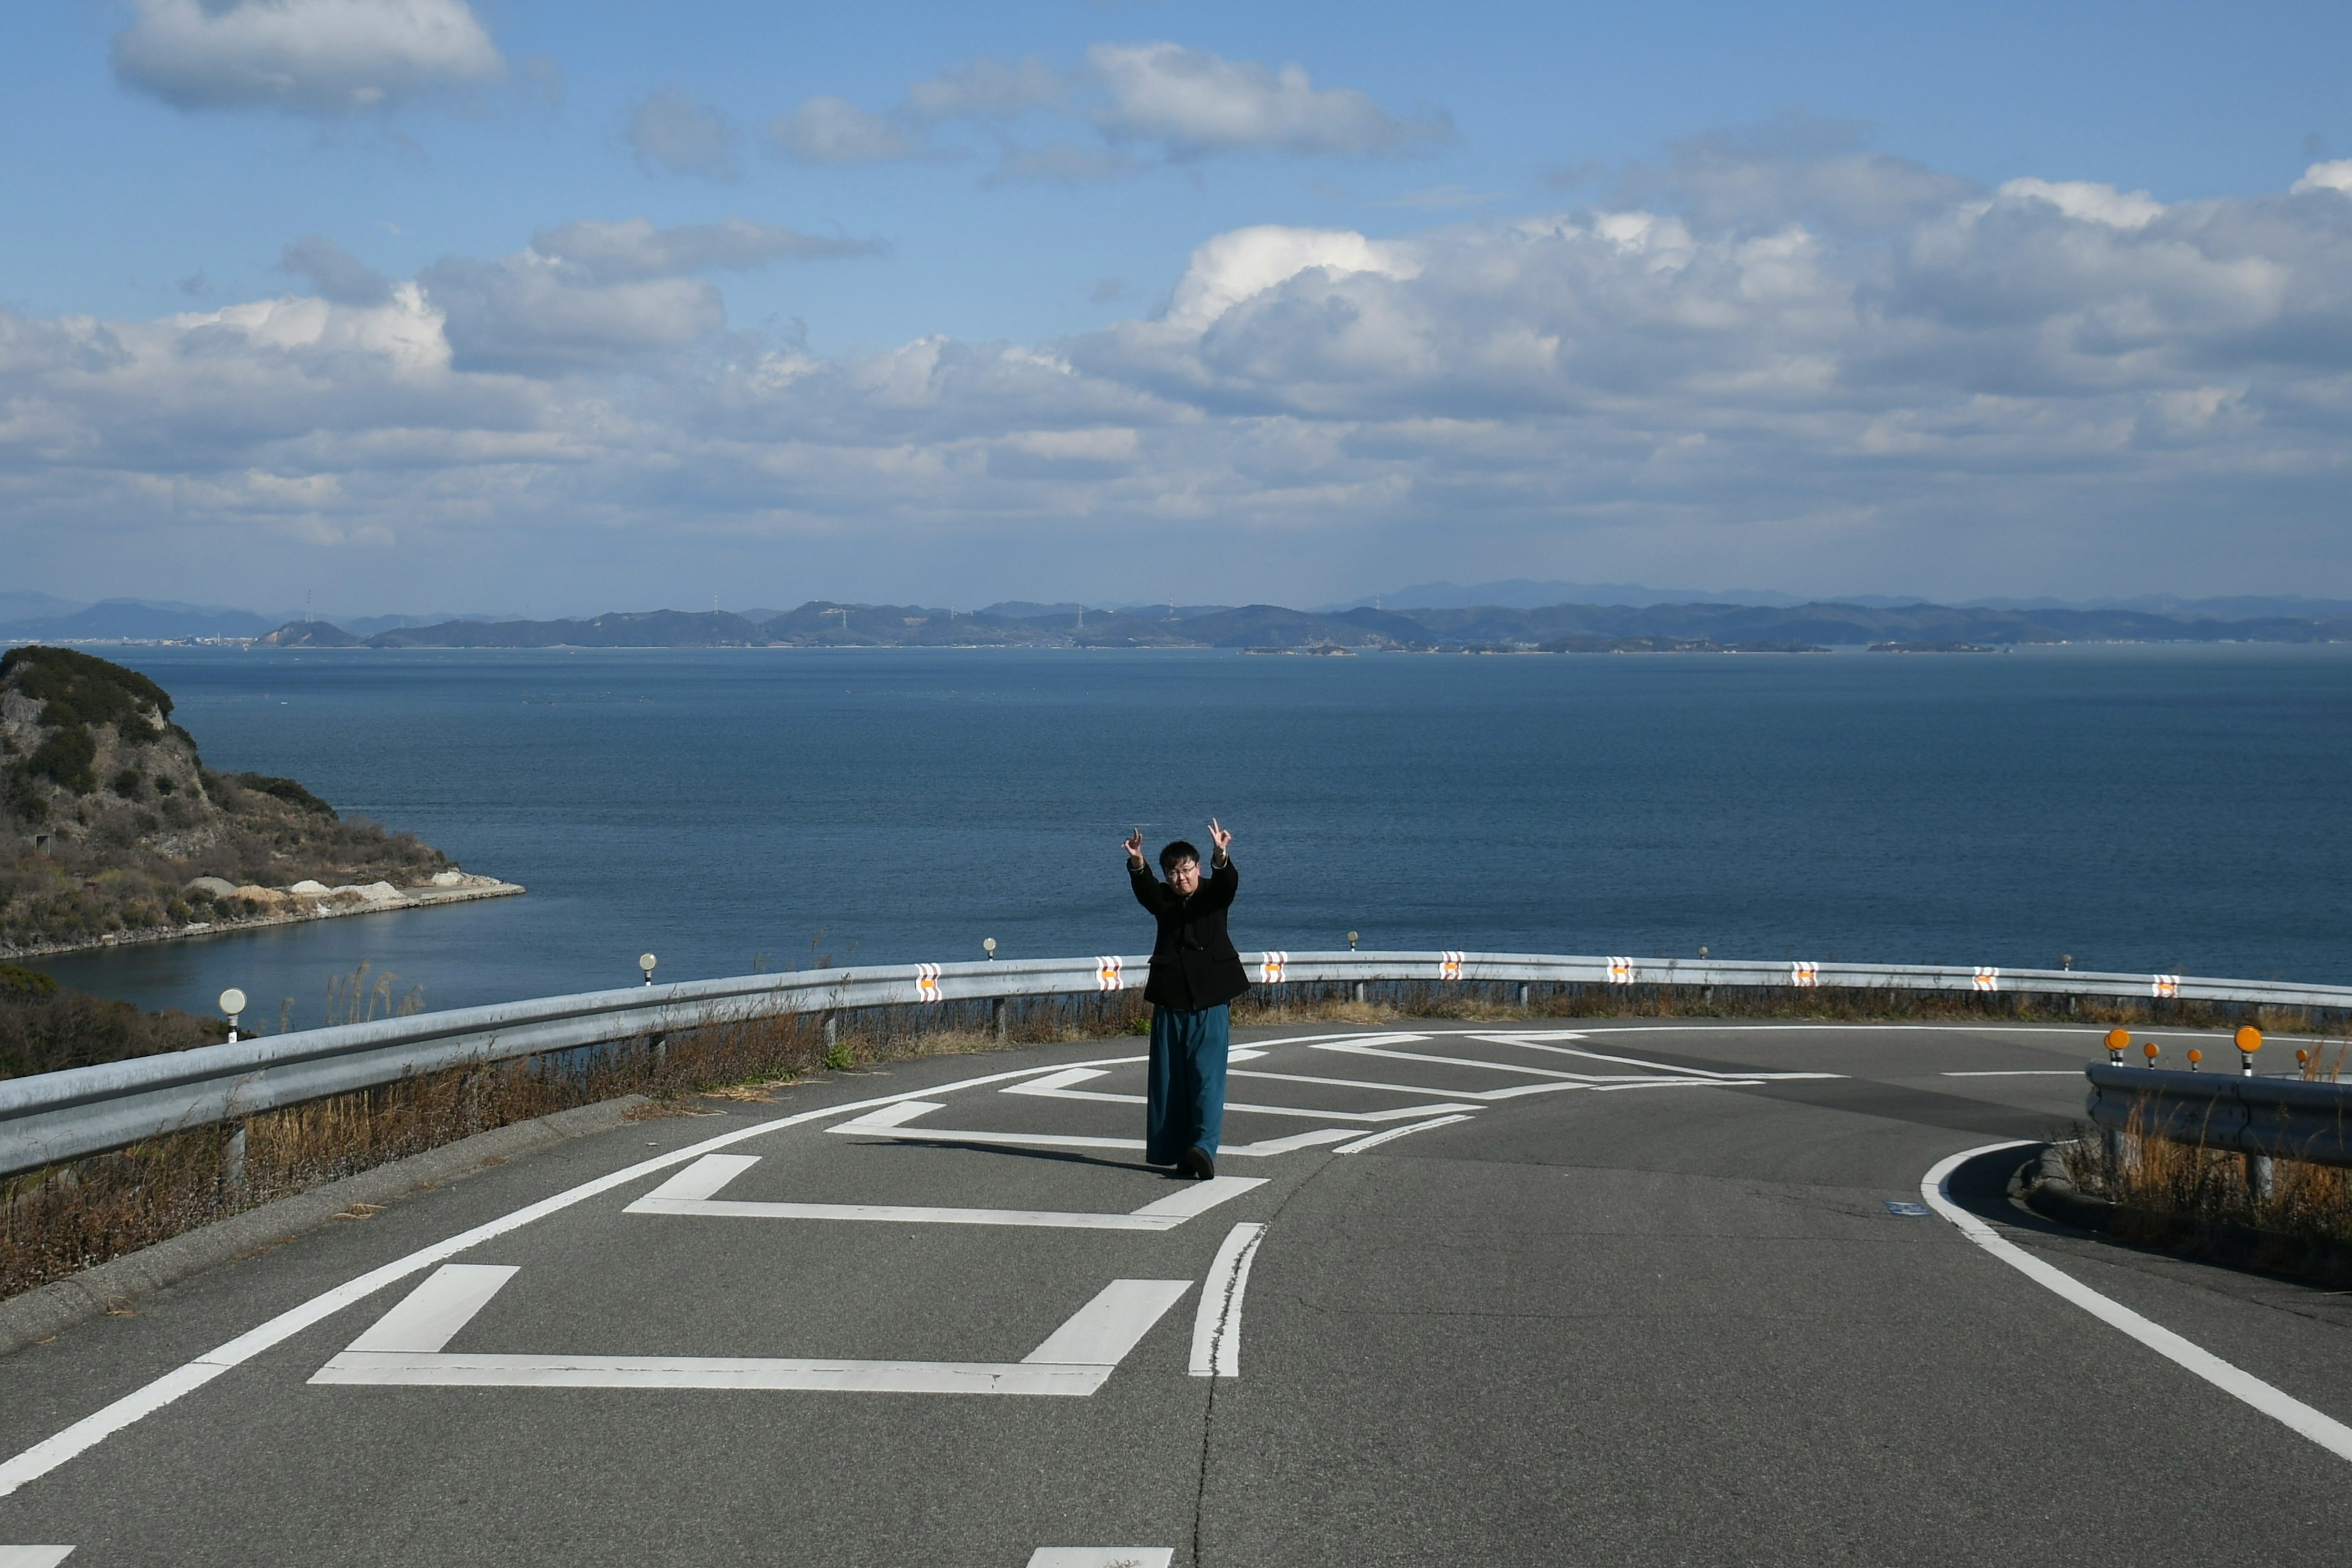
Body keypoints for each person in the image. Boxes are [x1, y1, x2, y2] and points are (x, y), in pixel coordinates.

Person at [1124, 819, 1246, 1180]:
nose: (1181, 878)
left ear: (1197, 867)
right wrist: (1137, 862)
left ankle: (1204, 1150)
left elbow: (1228, 884)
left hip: (1210, 1002)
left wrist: (1221, 855)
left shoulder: (1213, 894)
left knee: (1207, 1080)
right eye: (1173, 873)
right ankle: (1180, 1151)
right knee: (1169, 1082)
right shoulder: (1163, 900)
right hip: (1171, 1001)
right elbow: (1147, 890)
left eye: (1187, 870)